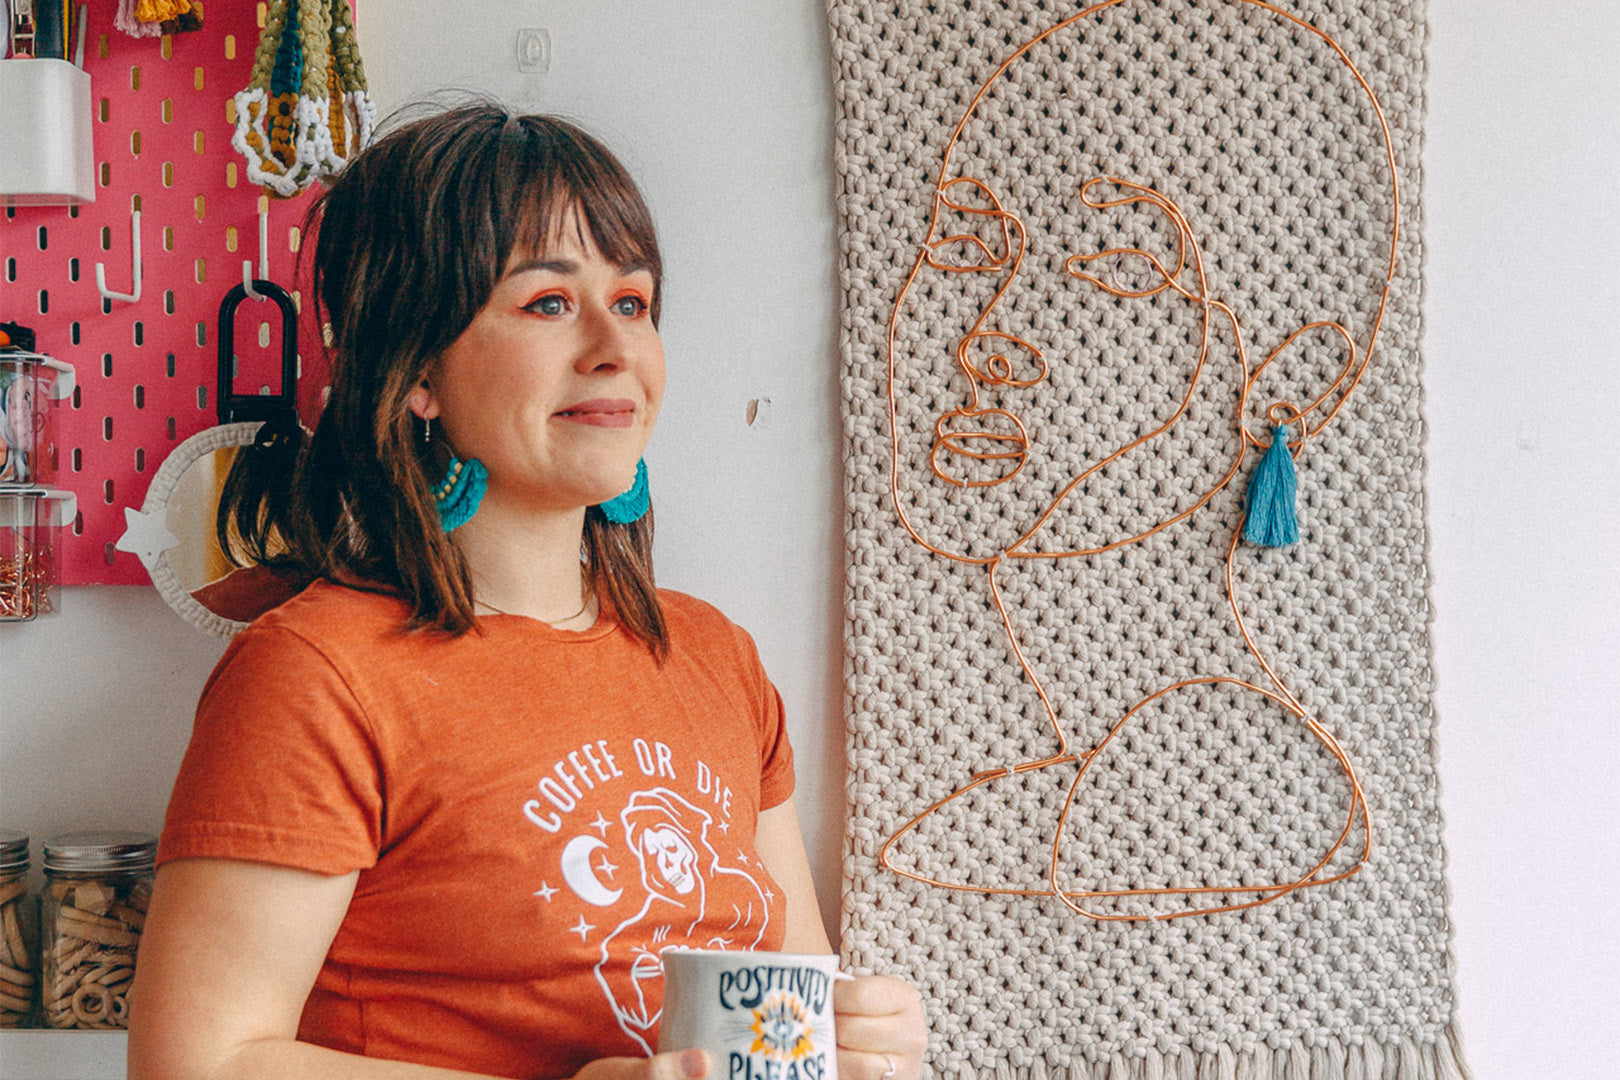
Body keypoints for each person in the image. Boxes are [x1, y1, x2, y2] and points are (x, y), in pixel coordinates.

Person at [127, 104, 926, 1080]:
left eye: (633, 304)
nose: (614, 348)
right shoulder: (315, 674)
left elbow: (781, 1007)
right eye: (549, 303)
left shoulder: (717, 658)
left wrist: (851, 1047)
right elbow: (197, 1063)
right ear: (417, 368)